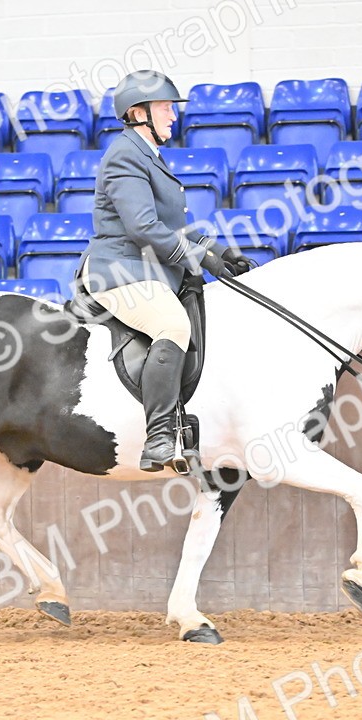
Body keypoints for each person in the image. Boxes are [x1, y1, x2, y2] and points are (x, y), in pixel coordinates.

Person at [80, 70, 255, 472]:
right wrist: (199, 259)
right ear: (137, 112)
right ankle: (159, 436)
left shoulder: (149, 156)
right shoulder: (125, 155)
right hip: (119, 269)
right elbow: (143, 227)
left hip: (148, 269)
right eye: (165, 108)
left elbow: (173, 227)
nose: (173, 116)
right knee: (173, 325)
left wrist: (220, 252)